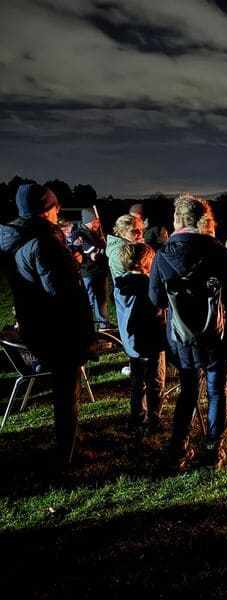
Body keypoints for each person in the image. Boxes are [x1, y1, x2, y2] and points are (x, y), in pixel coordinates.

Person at [0, 183, 94, 466]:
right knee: (67, 393)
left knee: (65, 390)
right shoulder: (44, 242)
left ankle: (69, 442)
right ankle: (68, 451)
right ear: (45, 209)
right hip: (58, 329)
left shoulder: (16, 238)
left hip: (34, 321)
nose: (58, 213)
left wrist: (68, 261)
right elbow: (60, 292)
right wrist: (71, 266)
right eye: (55, 208)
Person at [149, 194, 227, 471]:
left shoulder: (162, 255)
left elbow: (156, 299)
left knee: (188, 391)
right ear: (203, 219)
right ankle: (213, 449)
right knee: (216, 391)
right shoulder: (219, 251)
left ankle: (178, 447)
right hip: (216, 334)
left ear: (177, 219)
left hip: (182, 337)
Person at [114, 243, 166, 439]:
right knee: (155, 382)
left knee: (137, 382)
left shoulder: (120, 284)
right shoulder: (149, 285)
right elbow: (158, 308)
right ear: (146, 262)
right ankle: (154, 418)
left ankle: (137, 415)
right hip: (152, 341)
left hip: (131, 342)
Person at [72, 207, 110, 328]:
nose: (98, 224)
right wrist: (100, 250)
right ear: (89, 221)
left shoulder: (98, 233)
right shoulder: (78, 234)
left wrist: (104, 244)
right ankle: (87, 327)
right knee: (89, 301)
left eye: (98, 222)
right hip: (88, 273)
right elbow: (91, 253)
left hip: (101, 272)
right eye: (95, 222)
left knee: (102, 300)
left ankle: (104, 326)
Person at [107, 214, 145, 282]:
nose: (140, 233)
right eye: (134, 231)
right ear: (122, 232)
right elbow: (124, 280)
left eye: (141, 229)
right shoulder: (118, 252)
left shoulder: (133, 243)